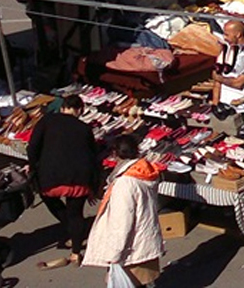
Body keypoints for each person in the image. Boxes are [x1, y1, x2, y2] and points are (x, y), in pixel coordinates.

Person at [83, 135, 164, 287]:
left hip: (131, 248)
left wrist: (115, 253)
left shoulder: (124, 183)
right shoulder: (145, 172)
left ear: (115, 153)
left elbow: (122, 222)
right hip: (144, 240)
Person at [28, 95, 99, 270]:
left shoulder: (47, 120)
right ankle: (76, 252)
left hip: (51, 177)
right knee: (76, 214)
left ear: (62, 108)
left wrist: (33, 167)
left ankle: (69, 226)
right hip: (79, 178)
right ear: (80, 110)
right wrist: (94, 185)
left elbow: (32, 147)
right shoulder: (84, 128)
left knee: (50, 199)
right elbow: (93, 155)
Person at [210, 20, 244, 106]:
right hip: (223, 104)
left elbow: (238, 83)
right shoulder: (227, 49)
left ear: (238, 35)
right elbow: (217, 81)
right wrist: (215, 103)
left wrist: (218, 78)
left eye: (227, 35)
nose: (224, 37)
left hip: (243, 106)